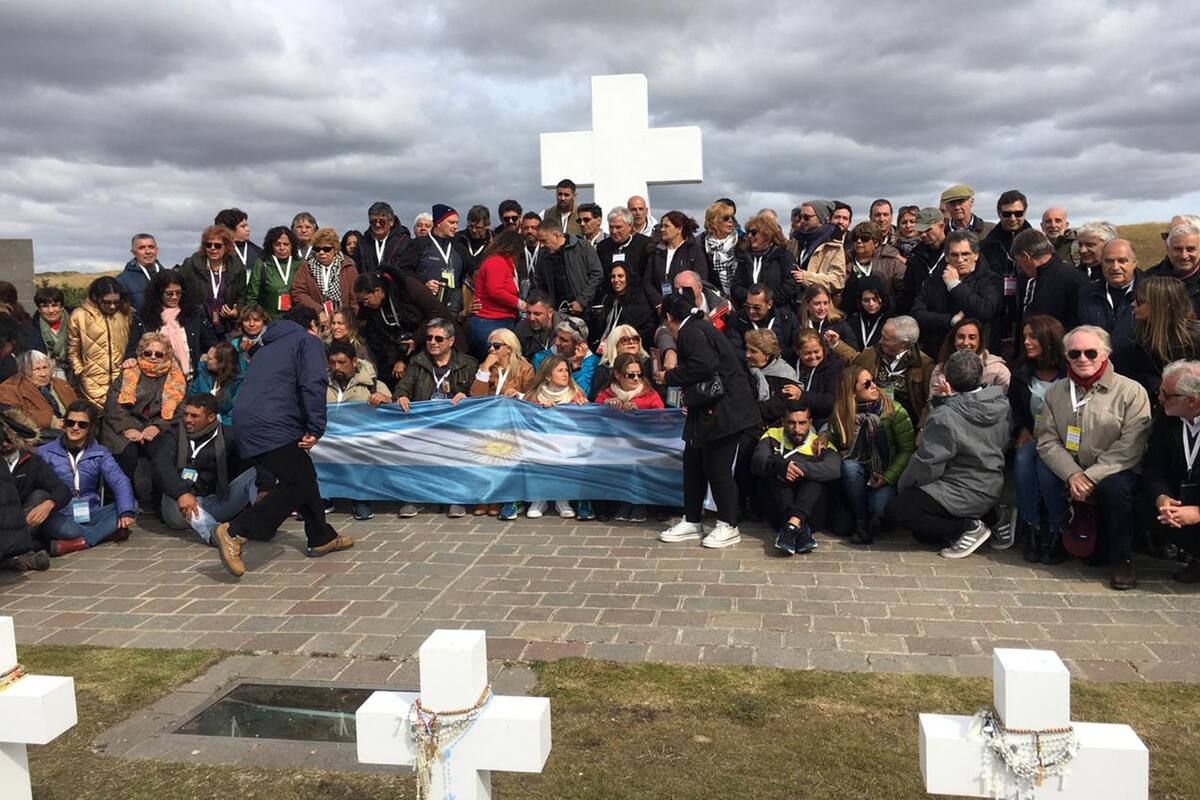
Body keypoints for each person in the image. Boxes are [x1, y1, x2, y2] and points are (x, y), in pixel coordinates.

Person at [212, 307, 352, 579]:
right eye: (321, 325)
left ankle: (320, 535)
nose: (323, 330)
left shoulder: (267, 346)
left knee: (303, 474)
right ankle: (235, 531)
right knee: (296, 484)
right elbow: (313, 382)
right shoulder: (306, 341)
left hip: (250, 421)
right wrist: (316, 426)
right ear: (311, 325)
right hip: (273, 423)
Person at [1037, 326, 1151, 590]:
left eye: (1091, 352)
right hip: (1073, 471)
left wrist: (1090, 476)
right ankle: (1056, 536)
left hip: (1116, 471)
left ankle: (1122, 559)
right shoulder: (1056, 393)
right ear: (1066, 356)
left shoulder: (1131, 391)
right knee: (1043, 469)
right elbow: (1047, 439)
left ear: (1105, 354)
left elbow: (1132, 445)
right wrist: (1072, 473)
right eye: (1075, 353)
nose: (1083, 359)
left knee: (1116, 488)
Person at [657, 293, 762, 549]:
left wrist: (670, 376)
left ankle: (728, 523)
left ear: (670, 318)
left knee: (717, 467)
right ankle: (692, 519)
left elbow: (703, 365)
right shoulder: (698, 327)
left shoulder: (692, 332)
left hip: (723, 410)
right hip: (704, 409)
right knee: (693, 463)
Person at [887, 350, 1009, 558]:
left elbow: (928, 463)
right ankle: (995, 517)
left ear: (948, 379)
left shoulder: (945, 416)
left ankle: (968, 527)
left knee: (898, 510)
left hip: (960, 488)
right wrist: (945, 402)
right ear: (981, 376)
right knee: (924, 536)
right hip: (992, 482)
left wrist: (904, 485)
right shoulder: (1000, 403)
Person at [394, 319, 477, 518]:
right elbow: (402, 387)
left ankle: (455, 498)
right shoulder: (417, 361)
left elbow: (479, 395)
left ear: (451, 341)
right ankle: (414, 498)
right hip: (423, 425)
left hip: (455, 425)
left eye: (439, 338)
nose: (432, 342)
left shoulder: (468, 363)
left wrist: (467, 397)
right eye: (429, 338)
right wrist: (401, 395)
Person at [825, 366, 915, 543]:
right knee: (849, 466)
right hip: (858, 473)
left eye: (873, 380)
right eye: (867, 384)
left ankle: (871, 516)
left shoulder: (894, 411)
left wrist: (887, 477)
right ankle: (861, 520)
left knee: (878, 506)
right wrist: (823, 436)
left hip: (886, 472)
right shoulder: (843, 414)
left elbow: (907, 450)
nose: (874, 386)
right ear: (852, 393)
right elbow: (834, 438)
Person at [36, 401, 137, 557]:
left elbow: (119, 480)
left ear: (90, 427)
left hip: (90, 513)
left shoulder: (100, 452)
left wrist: (126, 511)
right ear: (63, 424)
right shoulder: (44, 452)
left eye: (82, 424)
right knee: (70, 530)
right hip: (60, 514)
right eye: (70, 422)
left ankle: (79, 542)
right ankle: (105, 533)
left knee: (132, 505)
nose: (75, 428)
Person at [153, 393, 257, 544]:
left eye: (194, 416)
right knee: (169, 486)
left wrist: (263, 491)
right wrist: (181, 493)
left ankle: (261, 522)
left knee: (255, 474)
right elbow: (161, 464)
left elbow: (253, 459)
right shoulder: (172, 434)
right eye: (186, 414)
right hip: (179, 507)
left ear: (211, 418)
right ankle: (216, 535)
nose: (188, 420)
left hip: (217, 501)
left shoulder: (229, 436)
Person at [1009, 315, 1068, 563]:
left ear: (1049, 339)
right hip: (1034, 435)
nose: (1027, 342)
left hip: (1064, 440)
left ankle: (1057, 530)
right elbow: (1016, 407)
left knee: (1046, 468)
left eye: (1033, 337)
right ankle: (1030, 526)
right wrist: (1021, 428)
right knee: (1023, 459)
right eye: (1025, 337)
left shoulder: (1069, 372)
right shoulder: (1022, 372)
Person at [751, 400, 841, 554]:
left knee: (815, 479)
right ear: (783, 422)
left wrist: (798, 468)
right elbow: (757, 462)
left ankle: (792, 525)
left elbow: (834, 469)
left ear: (810, 423)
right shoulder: (772, 436)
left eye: (802, 423)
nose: (797, 429)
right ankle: (799, 528)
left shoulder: (819, 443)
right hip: (777, 508)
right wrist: (780, 467)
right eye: (791, 423)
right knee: (775, 471)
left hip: (812, 514)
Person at [101, 331, 186, 485]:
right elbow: (113, 405)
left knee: (163, 454)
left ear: (167, 355)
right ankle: (126, 497)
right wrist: (128, 428)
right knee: (127, 454)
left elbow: (180, 410)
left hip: (159, 426)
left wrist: (158, 427)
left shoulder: (177, 377)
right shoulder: (129, 371)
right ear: (141, 353)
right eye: (148, 353)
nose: (153, 357)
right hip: (125, 425)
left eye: (159, 354)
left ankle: (160, 500)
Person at [1143, 360, 1200, 583]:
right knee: (1135, 499)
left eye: (1167, 395)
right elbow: (1153, 465)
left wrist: (1197, 512)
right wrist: (1161, 496)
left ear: (1192, 401)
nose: (1159, 398)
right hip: (1181, 498)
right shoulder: (1167, 419)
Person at [471, 328, 536, 521]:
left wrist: (518, 395)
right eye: (489, 345)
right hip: (488, 422)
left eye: (496, 345)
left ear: (509, 348)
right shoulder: (486, 368)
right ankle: (486, 495)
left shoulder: (525, 368)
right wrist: (484, 369)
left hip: (514, 423)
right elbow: (476, 396)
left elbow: (533, 396)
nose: (491, 349)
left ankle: (500, 496)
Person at [593, 352, 663, 524]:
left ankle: (639, 503)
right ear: (617, 375)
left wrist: (639, 409)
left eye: (639, 374)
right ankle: (624, 502)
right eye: (630, 375)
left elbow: (663, 418)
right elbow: (593, 417)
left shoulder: (650, 394)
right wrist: (606, 406)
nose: (636, 379)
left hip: (645, 445)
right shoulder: (606, 394)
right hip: (615, 446)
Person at [325, 341, 391, 521]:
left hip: (359, 439)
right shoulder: (321, 383)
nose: (336, 367)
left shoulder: (372, 384)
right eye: (332, 363)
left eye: (341, 362)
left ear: (354, 361)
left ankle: (360, 498)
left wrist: (384, 399)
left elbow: (394, 413)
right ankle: (323, 497)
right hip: (328, 439)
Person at [911, 231, 1002, 358]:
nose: (960, 260)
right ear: (946, 257)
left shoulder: (990, 279)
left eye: (965, 254)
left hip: (979, 355)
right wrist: (950, 320)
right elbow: (917, 313)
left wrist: (954, 285)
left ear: (976, 255)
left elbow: (985, 310)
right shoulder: (935, 280)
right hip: (940, 354)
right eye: (954, 255)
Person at [353, 270, 450, 389]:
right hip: (395, 352)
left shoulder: (408, 288)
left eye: (366, 299)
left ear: (377, 291)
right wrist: (397, 359)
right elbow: (379, 338)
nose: (364, 305)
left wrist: (414, 341)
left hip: (426, 339)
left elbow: (435, 314)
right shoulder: (370, 311)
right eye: (361, 301)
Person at [1113, 275, 1200, 405]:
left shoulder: (1194, 338)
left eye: (1140, 302)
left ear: (1161, 305)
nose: (1133, 305)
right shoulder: (1137, 337)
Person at [522, 354, 590, 519]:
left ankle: (562, 500)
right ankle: (539, 499)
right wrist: (539, 410)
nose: (565, 374)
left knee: (564, 454)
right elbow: (524, 420)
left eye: (566, 370)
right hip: (539, 442)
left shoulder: (576, 394)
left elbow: (585, 423)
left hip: (568, 443)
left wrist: (582, 407)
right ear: (547, 375)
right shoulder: (533, 396)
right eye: (560, 370)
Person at [126, 269, 216, 380]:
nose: (174, 297)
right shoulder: (143, 318)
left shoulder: (194, 314)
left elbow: (210, 342)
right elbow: (132, 348)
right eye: (169, 294)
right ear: (158, 293)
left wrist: (207, 355)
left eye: (178, 293)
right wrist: (130, 358)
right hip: (157, 383)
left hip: (192, 380)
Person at [2, 407, 69, 545]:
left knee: (41, 496)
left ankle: (17, 546)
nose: (4, 444)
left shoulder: (32, 461)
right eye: (1, 439)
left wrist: (50, 504)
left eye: (10, 439)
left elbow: (62, 490)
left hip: (21, 521)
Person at [852, 315, 934, 426]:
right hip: (871, 419)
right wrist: (837, 345)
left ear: (903, 343)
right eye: (882, 336)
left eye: (886, 338)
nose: (880, 341)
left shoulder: (925, 365)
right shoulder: (873, 352)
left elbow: (930, 402)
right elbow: (854, 360)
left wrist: (922, 429)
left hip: (906, 423)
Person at [68, 276, 133, 411]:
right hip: (91, 381)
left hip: (121, 380)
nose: (112, 306)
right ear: (95, 298)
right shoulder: (79, 315)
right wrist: (81, 371)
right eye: (107, 302)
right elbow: (73, 349)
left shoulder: (125, 314)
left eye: (116, 302)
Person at [1014, 228, 1089, 334]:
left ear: (1026, 257)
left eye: (1019, 261)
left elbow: (1082, 325)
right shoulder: (1024, 279)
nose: (1020, 266)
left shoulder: (1074, 279)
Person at [401, 204, 470, 317]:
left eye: (457, 223)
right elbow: (404, 271)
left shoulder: (460, 249)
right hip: (423, 307)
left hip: (452, 310)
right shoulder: (419, 244)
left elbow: (468, 275)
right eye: (451, 222)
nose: (456, 227)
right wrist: (423, 284)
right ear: (438, 223)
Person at [178, 224, 245, 337]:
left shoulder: (237, 268)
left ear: (227, 247)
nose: (213, 248)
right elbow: (180, 290)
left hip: (227, 327)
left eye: (218, 245)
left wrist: (237, 311)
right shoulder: (190, 265)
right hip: (198, 325)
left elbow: (243, 295)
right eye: (208, 245)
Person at [468, 229, 523, 359]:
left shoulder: (504, 264)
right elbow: (495, 291)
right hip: (490, 321)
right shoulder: (496, 262)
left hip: (500, 320)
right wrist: (518, 303)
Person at [1077, 238, 1139, 354]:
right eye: (1109, 261)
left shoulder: (1150, 293)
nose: (1115, 267)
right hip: (1100, 367)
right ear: (1101, 263)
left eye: (1122, 261)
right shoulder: (1086, 293)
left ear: (1134, 263)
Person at [929, 318, 1011, 400]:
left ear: (980, 341)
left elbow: (1003, 405)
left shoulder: (998, 370)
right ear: (953, 340)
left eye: (972, 337)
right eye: (960, 337)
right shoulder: (940, 370)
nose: (965, 342)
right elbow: (933, 405)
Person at [0, 350, 78, 436]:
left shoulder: (61, 384)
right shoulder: (10, 388)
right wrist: (52, 421)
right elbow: (12, 417)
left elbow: (78, 406)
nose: (43, 374)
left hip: (73, 427)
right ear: (24, 371)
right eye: (37, 369)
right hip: (39, 435)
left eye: (45, 367)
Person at [533, 223, 604, 315]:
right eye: (539, 241)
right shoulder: (543, 256)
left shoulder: (582, 247)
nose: (541, 245)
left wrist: (582, 301)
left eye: (544, 241)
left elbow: (597, 275)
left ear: (557, 235)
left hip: (585, 310)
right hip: (557, 313)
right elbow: (539, 285)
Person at [725, 283, 801, 365]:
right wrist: (755, 357)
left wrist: (772, 359)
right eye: (748, 306)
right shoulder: (737, 319)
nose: (751, 311)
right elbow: (734, 350)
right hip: (749, 369)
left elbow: (795, 347)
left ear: (769, 304)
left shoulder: (787, 318)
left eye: (757, 308)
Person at [644, 211, 709, 307]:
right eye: (662, 226)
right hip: (659, 307)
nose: (662, 229)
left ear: (679, 229)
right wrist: (658, 303)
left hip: (685, 307)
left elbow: (700, 280)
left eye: (666, 226)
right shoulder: (657, 251)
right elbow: (647, 281)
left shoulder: (694, 251)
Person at [731, 212, 796, 307]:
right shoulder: (744, 257)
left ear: (767, 234)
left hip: (777, 312)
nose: (749, 236)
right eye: (748, 232)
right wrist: (752, 301)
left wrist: (766, 302)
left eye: (753, 232)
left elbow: (790, 285)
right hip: (748, 311)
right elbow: (736, 286)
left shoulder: (784, 256)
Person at [842, 221, 907, 313]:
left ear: (876, 242)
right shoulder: (844, 261)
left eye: (864, 238)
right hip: (853, 318)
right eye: (855, 238)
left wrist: (893, 310)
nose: (859, 241)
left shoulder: (892, 262)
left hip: (886, 316)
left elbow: (905, 289)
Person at [292, 227, 358, 317]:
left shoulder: (348, 268)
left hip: (344, 321)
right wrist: (319, 311)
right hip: (316, 320)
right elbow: (298, 293)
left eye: (326, 249)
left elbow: (355, 299)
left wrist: (349, 320)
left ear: (335, 249)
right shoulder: (306, 267)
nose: (321, 252)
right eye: (317, 249)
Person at [787, 200, 846, 295]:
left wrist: (807, 278)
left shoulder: (833, 244)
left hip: (818, 302)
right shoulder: (796, 239)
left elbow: (838, 281)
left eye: (806, 217)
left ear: (821, 218)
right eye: (800, 216)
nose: (802, 221)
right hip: (793, 301)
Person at [743, 329, 799, 429]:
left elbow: (778, 407)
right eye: (747, 349)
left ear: (767, 355)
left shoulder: (785, 374)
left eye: (753, 351)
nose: (747, 354)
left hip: (777, 428)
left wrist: (749, 409)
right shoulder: (742, 370)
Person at [244, 226, 302, 318]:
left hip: (295, 320)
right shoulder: (262, 264)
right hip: (268, 320)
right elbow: (252, 296)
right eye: (277, 244)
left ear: (292, 246)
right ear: (271, 245)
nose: (282, 248)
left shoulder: (300, 264)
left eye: (286, 244)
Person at [532, 317, 599, 397]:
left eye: (563, 340)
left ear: (578, 344)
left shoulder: (592, 363)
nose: (557, 342)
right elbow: (537, 389)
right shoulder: (541, 358)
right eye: (557, 336)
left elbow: (583, 395)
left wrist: (576, 366)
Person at [598, 262, 657, 349]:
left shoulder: (639, 300)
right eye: (613, 277)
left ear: (628, 277)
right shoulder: (608, 299)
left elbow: (649, 328)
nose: (616, 280)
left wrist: (627, 337)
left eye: (620, 276)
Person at [1147, 222, 1200, 316]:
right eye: (1178, 249)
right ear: (1168, 249)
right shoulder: (1150, 279)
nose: (1184, 255)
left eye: (1190, 249)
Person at [792, 329, 843, 428]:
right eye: (807, 353)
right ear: (798, 352)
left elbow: (831, 401)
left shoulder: (833, 366)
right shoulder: (790, 362)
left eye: (816, 351)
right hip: (793, 418)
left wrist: (802, 395)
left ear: (822, 348)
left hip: (823, 420)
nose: (813, 356)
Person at [591, 325, 655, 402]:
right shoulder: (604, 370)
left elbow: (654, 396)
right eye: (625, 340)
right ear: (615, 344)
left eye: (635, 339)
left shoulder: (648, 364)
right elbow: (595, 399)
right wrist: (608, 401)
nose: (631, 342)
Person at [901, 208, 948, 312]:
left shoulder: (958, 252)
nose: (923, 234)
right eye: (920, 231)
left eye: (927, 230)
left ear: (941, 226)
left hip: (953, 317)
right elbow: (908, 292)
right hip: (923, 317)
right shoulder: (916, 257)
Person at [597, 206, 652, 289]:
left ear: (630, 226)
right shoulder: (603, 247)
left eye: (618, 227)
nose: (614, 231)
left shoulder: (644, 244)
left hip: (637, 295)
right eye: (611, 227)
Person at [190, 341, 243, 427]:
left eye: (210, 358)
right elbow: (192, 395)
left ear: (221, 363)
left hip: (224, 427)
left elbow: (236, 412)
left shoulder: (238, 383)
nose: (205, 359)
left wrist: (220, 423)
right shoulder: (203, 373)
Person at [26, 286, 72, 380]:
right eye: (45, 306)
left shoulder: (76, 323)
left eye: (55, 305)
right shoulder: (31, 329)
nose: (51, 311)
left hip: (75, 376)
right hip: (45, 378)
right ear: (39, 309)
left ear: (62, 307)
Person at [357, 202, 409, 274]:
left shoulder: (403, 242)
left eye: (382, 221)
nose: (377, 225)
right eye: (373, 221)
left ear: (391, 222)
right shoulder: (363, 243)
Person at [701, 200, 740, 297]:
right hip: (714, 298)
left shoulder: (742, 242)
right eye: (726, 218)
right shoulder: (701, 244)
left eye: (732, 218)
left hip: (740, 299)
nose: (731, 221)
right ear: (713, 221)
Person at [117, 233, 165, 311]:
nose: (148, 251)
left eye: (151, 247)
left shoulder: (170, 277)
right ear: (133, 252)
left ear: (157, 250)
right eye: (142, 248)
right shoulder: (122, 281)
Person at [843, 275, 891, 352]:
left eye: (875, 299)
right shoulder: (852, 323)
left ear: (882, 299)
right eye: (866, 300)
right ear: (860, 302)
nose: (871, 304)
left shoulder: (890, 322)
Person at [796, 285, 851, 351]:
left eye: (825, 303)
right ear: (807, 305)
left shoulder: (839, 324)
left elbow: (853, 353)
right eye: (817, 304)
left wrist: (837, 345)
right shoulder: (797, 324)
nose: (822, 308)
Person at [513, 291, 561, 362]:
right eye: (528, 313)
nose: (532, 318)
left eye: (537, 314)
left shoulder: (568, 327)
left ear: (550, 312)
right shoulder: (520, 330)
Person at [215, 208, 263, 272]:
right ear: (229, 229)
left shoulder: (258, 252)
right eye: (243, 226)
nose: (247, 229)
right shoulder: (214, 250)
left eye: (247, 226)